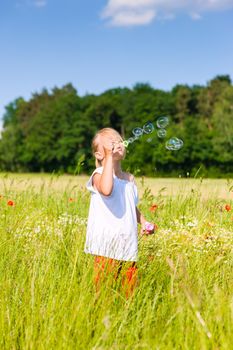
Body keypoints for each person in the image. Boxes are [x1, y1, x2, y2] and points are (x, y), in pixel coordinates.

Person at [85, 127, 155, 297]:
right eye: (110, 143)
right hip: (105, 246)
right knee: (103, 293)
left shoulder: (129, 178)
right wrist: (109, 157)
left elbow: (131, 206)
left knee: (129, 292)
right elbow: (107, 190)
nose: (116, 144)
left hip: (128, 245)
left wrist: (144, 221)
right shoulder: (98, 174)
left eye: (118, 140)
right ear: (99, 155)